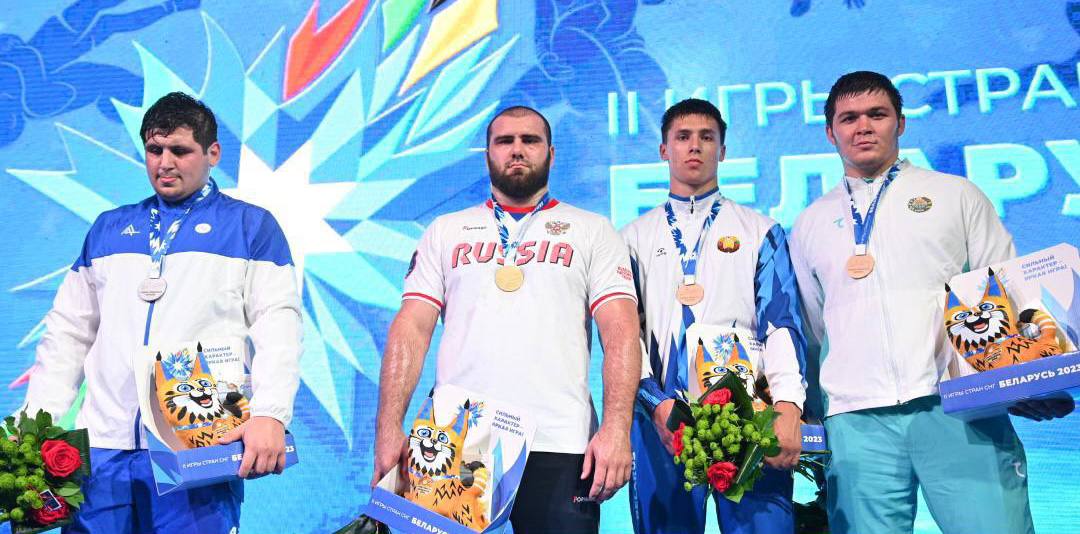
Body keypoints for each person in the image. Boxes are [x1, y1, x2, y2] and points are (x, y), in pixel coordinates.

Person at [788, 70, 1074, 534]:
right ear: (830, 132)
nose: (863, 127)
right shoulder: (809, 222)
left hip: (959, 405)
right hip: (856, 419)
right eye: (849, 118)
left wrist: (1028, 379)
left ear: (900, 123)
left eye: (877, 114)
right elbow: (813, 328)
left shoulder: (954, 194)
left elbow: (1007, 289)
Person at [21, 91, 303, 533]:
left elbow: (279, 327)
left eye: (180, 150)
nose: (165, 163)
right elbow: (67, 335)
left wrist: (271, 413)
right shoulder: (109, 228)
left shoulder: (250, 226)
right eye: (154, 149)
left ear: (213, 153)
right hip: (103, 448)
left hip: (197, 448)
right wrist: (35, 427)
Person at [371, 105, 641, 533]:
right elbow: (411, 329)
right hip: (455, 440)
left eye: (530, 140)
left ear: (551, 153)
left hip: (560, 440)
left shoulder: (592, 229)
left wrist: (616, 430)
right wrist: (388, 428)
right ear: (487, 155)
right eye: (505, 141)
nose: (517, 150)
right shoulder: (446, 230)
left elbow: (622, 333)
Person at [621, 98, 807, 534]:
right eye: (683, 137)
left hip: (748, 410)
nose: (695, 146)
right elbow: (624, 336)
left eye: (707, 137)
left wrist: (787, 405)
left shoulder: (760, 230)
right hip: (663, 415)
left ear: (722, 150)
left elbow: (781, 324)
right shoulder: (631, 238)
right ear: (664, 149)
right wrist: (656, 403)